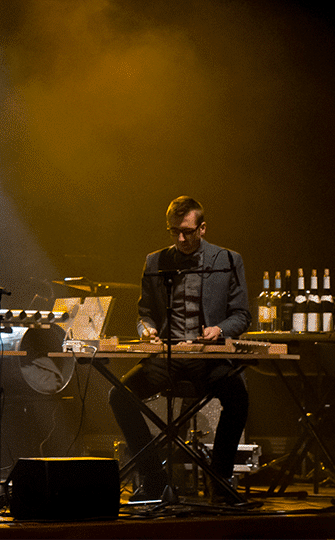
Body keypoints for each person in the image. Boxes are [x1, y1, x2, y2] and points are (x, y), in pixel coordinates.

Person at [109, 195, 250, 504]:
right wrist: (146, 330)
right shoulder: (155, 261)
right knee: (119, 396)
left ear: (202, 228)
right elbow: (144, 312)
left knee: (238, 396)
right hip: (168, 359)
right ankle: (153, 477)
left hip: (207, 359)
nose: (181, 238)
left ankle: (219, 477)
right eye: (174, 232)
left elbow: (242, 314)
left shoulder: (227, 260)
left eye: (187, 231)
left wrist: (219, 330)